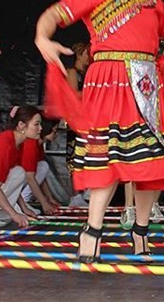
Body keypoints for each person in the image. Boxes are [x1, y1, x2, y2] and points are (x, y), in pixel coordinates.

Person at [35, 0, 164, 262]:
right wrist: (43, 39)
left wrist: (162, 64)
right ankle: (93, 228)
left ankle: (141, 229)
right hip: (108, 82)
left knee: (152, 161)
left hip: (145, 86)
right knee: (108, 157)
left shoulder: (155, 3)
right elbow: (52, 16)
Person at [65, 42, 91, 208]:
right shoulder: (72, 72)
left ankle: (86, 189)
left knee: (89, 154)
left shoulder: (88, 72)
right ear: (80, 54)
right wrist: (94, 92)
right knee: (75, 156)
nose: (90, 57)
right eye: (87, 54)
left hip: (89, 120)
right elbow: (73, 95)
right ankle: (75, 195)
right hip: (76, 121)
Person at [19, 116, 62, 215]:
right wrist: (44, 202)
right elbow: (30, 177)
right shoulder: (30, 144)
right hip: (12, 180)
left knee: (43, 166)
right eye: (54, 131)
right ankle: (23, 202)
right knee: (43, 166)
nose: (56, 134)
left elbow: (41, 176)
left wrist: (50, 199)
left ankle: (24, 201)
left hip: (21, 179)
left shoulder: (38, 145)